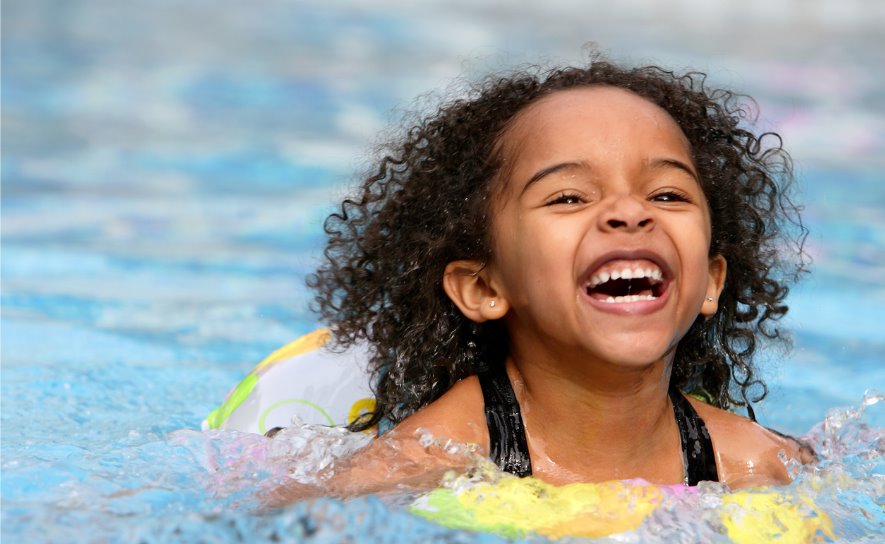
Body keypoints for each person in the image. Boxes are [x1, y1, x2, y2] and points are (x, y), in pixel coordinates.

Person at [289, 55, 812, 498]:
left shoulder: (756, 465)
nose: (629, 212)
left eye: (667, 195)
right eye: (569, 197)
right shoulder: (432, 459)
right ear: (484, 288)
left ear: (711, 283)